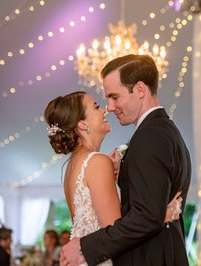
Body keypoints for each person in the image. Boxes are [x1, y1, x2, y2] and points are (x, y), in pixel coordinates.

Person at [59, 54, 191, 266]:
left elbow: (146, 217)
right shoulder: (163, 131)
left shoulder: (151, 136)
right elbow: (147, 208)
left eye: (115, 97)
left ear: (139, 90)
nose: (109, 107)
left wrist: (85, 247)